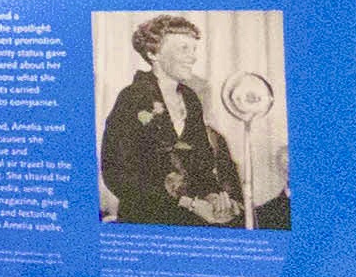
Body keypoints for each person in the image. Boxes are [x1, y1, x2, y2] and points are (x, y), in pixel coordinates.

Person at [102, 18, 247, 227]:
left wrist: (213, 196)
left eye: (194, 49)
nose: (193, 57)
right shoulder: (131, 98)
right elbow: (117, 175)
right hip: (146, 222)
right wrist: (190, 204)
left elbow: (202, 166)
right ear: (154, 54)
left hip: (191, 221)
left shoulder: (191, 98)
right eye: (183, 49)